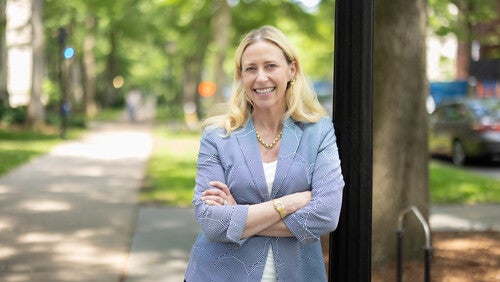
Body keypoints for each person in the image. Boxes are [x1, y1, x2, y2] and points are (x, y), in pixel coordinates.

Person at [184, 25, 344, 282]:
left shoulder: (318, 131)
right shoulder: (217, 135)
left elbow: (325, 215)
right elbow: (211, 222)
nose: (261, 78)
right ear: (241, 76)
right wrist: (290, 203)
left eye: (270, 66)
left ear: (291, 70)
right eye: (251, 68)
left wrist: (239, 218)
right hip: (218, 274)